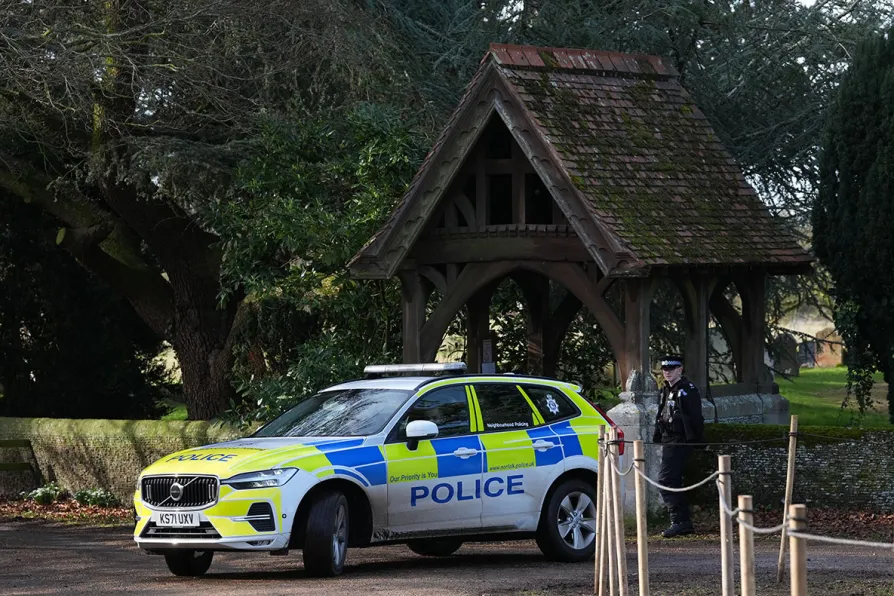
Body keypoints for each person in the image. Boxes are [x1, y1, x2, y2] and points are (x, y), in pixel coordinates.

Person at [652, 354, 704, 538]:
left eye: (671, 369)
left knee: (666, 480)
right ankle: (681, 522)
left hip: (680, 440)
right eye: (664, 369)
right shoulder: (666, 389)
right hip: (669, 439)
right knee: (671, 480)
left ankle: (680, 521)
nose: (667, 372)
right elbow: (662, 413)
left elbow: (695, 418)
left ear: (680, 369)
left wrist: (697, 441)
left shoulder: (687, 390)